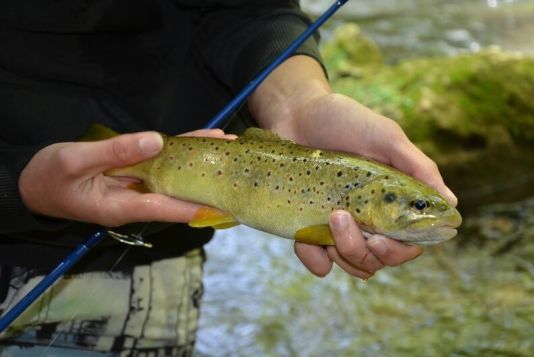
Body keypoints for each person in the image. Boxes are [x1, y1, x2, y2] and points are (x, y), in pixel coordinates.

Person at [0, 0, 457, 355]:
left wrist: (298, 103)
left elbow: (246, 8)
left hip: (120, 278)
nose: (427, 212)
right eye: (418, 205)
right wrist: (15, 184)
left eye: (417, 205)